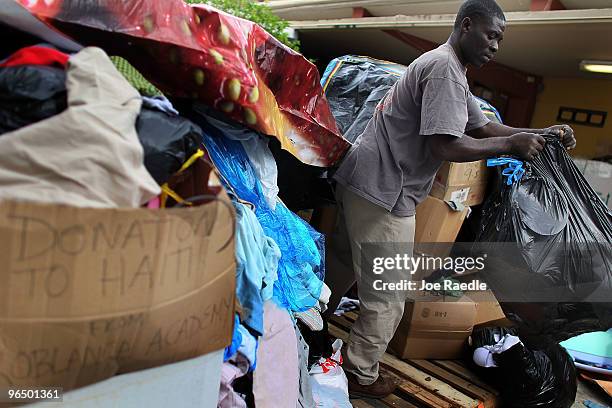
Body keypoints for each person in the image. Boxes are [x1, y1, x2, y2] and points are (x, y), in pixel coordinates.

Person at [324, 0, 577, 400]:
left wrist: (537, 134)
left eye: (500, 39)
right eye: (491, 35)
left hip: (363, 179)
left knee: (339, 263)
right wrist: (509, 145)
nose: (495, 46)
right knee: (388, 297)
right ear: (466, 26)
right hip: (384, 190)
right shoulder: (443, 69)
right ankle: (360, 371)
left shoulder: (450, 69)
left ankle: (313, 325)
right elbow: (445, 145)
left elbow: (483, 125)